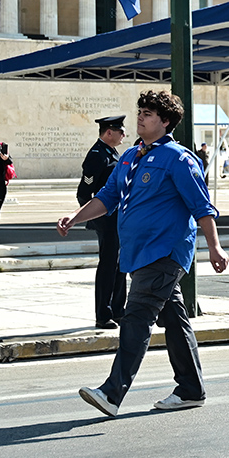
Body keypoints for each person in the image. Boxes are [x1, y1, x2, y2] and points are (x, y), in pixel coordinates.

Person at [57, 90, 229, 417]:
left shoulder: (179, 159)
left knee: (136, 315)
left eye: (148, 114)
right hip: (137, 253)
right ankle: (191, 388)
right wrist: (75, 217)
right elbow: (107, 197)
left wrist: (214, 245)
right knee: (174, 319)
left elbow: (201, 206)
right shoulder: (129, 157)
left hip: (164, 251)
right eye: (140, 111)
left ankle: (112, 392)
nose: (140, 117)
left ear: (165, 122)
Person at [78, 115, 127, 329]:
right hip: (106, 220)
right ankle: (103, 314)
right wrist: (95, 218)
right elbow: (84, 192)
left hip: (117, 218)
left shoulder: (111, 153)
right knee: (108, 266)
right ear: (109, 132)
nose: (124, 135)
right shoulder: (97, 155)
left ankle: (118, 310)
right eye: (120, 131)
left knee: (119, 265)